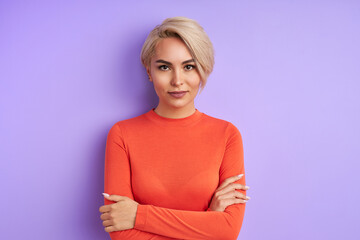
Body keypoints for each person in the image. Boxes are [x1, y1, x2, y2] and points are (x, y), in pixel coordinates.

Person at [99, 16, 250, 240]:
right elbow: (122, 234)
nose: (177, 80)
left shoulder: (227, 135)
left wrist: (138, 215)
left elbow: (227, 231)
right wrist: (209, 220)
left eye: (188, 66)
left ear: (203, 70)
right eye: (164, 67)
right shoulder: (122, 134)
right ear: (149, 72)